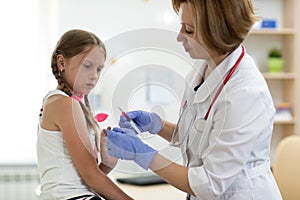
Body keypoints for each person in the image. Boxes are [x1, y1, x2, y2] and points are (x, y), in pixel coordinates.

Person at [105, 1, 282, 200]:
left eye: (189, 30)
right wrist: (157, 125)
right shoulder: (202, 68)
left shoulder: (244, 93)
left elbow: (209, 184)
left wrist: (141, 153)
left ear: (219, 32)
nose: (179, 37)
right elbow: (201, 135)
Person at [36, 29, 133, 200]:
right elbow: (90, 177)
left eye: (99, 69)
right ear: (61, 62)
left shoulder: (63, 102)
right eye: (87, 66)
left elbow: (81, 180)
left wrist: (106, 165)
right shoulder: (65, 104)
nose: (94, 76)